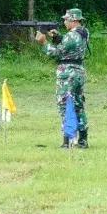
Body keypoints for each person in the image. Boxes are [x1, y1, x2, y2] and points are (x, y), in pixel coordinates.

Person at [37, 8, 88, 149]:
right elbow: (70, 49)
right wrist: (57, 37)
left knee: (65, 105)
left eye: (66, 19)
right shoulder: (82, 32)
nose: (64, 22)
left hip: (67, 73)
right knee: (78, 105)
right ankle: (83, 139)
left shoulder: (72, 35)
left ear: (74, 20)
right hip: (78, 71)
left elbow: (57, 53)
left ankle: (67, 140)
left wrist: (44, 42)